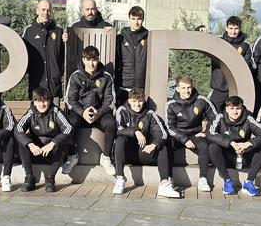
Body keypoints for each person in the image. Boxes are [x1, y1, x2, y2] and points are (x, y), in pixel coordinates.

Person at [112, 88, 179, 198]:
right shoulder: (122, 111)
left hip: (144, 152)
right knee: (120, 139)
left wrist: (154, 144)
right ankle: (120, 179)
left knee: (162, 146)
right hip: (127, 154)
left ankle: (164, 184)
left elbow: (162, 134)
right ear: (129, 101)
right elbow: (118, 129)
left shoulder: (150, 114)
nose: (137, 104)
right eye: (134, 101)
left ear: (144, 100)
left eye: (140, 101)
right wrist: (135, 131)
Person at [64, 46, 116, 175]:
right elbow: (70, 100)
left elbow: (110, 101)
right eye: (88, 60)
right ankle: (72, 156)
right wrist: (82, 112)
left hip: (100, 114)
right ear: (83, 60)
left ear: (98, 60)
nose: (91, 63)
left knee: (111, 123)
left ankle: (106, 157)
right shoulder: (75, 76)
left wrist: (99, 112)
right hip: (81, 113)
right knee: (68, 123)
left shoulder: (106, 77)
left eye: (94, 60)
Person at [207, 95, 261, 197]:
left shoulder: (248, 118)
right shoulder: (219, 117)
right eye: (232, 108)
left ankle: (249, 182)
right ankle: (227, 180)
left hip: (244, 155)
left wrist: (248, 143)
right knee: (213, 146)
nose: (235, 112)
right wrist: (230, 142)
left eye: (238, 108)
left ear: (242, 108)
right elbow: (210, 133)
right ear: (227, 109)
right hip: (227, 157)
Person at [14, 87, 72, 192]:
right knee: (23, 141)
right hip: (36, 152)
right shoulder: (31, 113)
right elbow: (18, 128)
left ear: (49, 101)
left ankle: (50, 178)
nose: (42, 104)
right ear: (34, 102)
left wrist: (53, 143)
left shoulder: (56, 112)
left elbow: (68, 129)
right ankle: (29, 178)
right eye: (39, 101)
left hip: (52, 153)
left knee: (63, 143)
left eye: (45, 101)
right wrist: (30, 144)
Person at [165, 75, 218, 191]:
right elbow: (170, 127)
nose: (187, 91)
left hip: (195, 134)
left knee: (204, 145)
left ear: (192, 87)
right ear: (177, 88)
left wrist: (206, 132)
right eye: (183, 88)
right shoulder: (171, 104)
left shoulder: (202, 100)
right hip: (178, 135)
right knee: (167, 145)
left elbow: (215, 118)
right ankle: (169, 178)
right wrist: (184, 139)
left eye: (189, 87)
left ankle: (203, 179)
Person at [22, 0, 66, 101]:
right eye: (43, 10)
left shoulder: (59, 31)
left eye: (48, 10)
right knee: (36, 110)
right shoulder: (29, 30)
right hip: (36, 83)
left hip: (54, 84)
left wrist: (58, 72)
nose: (46, 13)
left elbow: (64, 56)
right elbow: (22, 55)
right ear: (37, 11)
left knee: (55, 110)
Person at [208, 16, 253, 112]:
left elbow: (247, 66)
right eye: (231, 28)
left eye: (236, 28)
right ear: (226, 28)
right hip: (219, 86)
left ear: (240, 28)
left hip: (236, 87)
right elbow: (204, 44)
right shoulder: (217, 42)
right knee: (213, 113)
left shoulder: (245, 45)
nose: (233, 31)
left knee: (234, 114)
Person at [115, 6, 148, 107]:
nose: (136, 22)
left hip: (142, 88)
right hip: (123, 88)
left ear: (143, 19)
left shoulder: (149, 38)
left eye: (139, 19)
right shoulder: (120, 38)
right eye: (133, 19)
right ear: (129, 19)